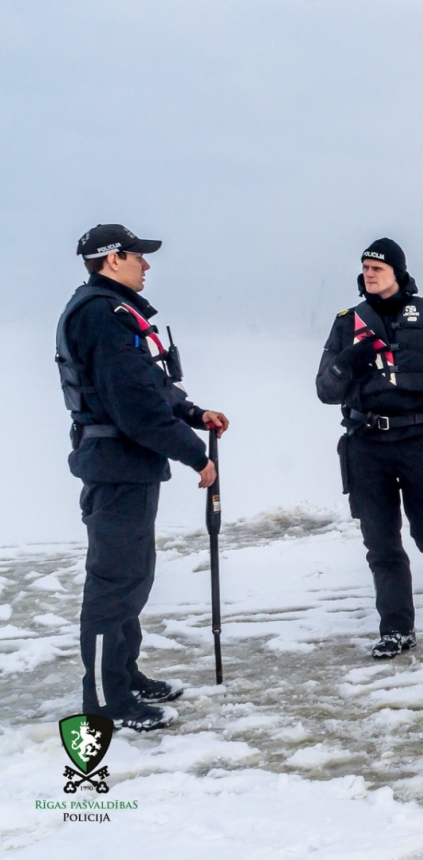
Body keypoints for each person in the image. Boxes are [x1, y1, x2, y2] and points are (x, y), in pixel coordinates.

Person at [57, 224, 230, 732]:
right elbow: (134, 406)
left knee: (132, 575)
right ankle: (107, 701)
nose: (146, 265)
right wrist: (195, 455)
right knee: (115, 582)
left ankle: (124, 674)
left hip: (125, 464)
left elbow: (150, 385)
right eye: (137, 256)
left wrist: (195, 413)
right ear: (112, 260)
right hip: (115, 464)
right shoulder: (102, 316)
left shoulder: (113, 312)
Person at [315, 239, 423, 659]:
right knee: (382, 543)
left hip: (417, 443)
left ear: (398, 271)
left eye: (377, 267)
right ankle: (396, 628)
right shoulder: (348, 322)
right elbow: (324, 389)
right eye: (365, 267)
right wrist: (345, 364)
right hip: (365, 444)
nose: (369, 274)